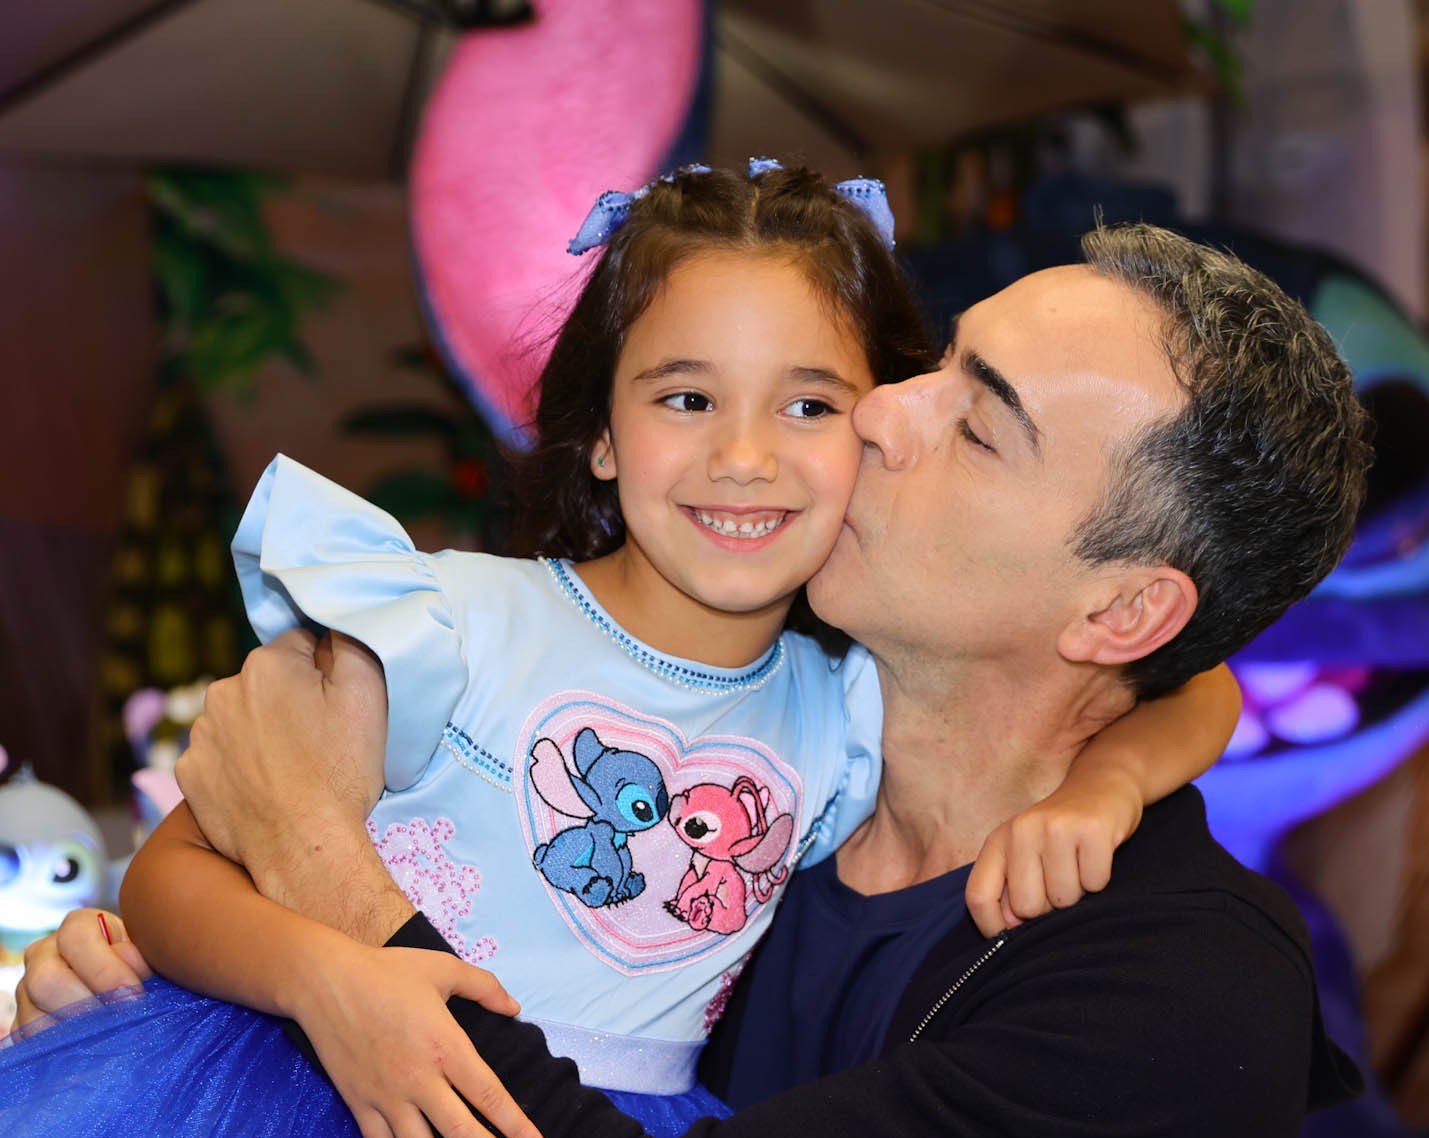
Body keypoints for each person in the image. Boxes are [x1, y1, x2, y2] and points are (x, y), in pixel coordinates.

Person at [0, 168, 1237, 1138]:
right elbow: (175, 867)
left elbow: (1195, 680)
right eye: (686, 399)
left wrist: (1104, 787)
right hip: (297, 1071)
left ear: (868, 433)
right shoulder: (448, 625)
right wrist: (326, 978)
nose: (742, 456)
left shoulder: (841, 712)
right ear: (600, 433)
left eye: (808, 404)